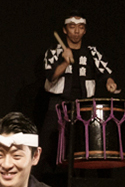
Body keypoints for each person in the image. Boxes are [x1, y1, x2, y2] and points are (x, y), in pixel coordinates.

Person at [39, 15, 119, 170]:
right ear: (65, 30)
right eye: (72, 27)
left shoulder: (92, 52)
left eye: (80, 27)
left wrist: (110, 81)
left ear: (84, 31)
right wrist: (65, 62)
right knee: (46, 146)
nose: (76, 31)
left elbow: (105, 72)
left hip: (84, 106)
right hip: (58, 104)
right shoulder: (54, 51)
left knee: (90, 147)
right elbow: (50, 76)